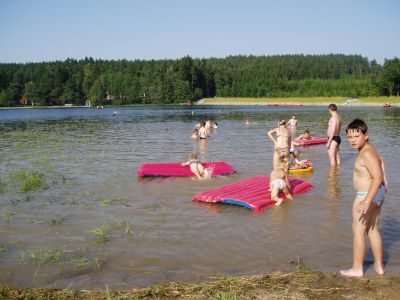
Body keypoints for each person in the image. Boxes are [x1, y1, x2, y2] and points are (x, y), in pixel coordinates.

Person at [340, 119, 388, 277]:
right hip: (377, 194)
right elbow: (381, 163)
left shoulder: (366, 152)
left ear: (366, 135)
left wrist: (367, 200)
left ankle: (357, 268)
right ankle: (379, 267)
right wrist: (384, 186)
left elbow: (377, 176)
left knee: (358, 231)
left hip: (366, 195)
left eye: (356, 136)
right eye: (349, 137)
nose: (352, 140)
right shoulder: (371, 149)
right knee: (373, 230)